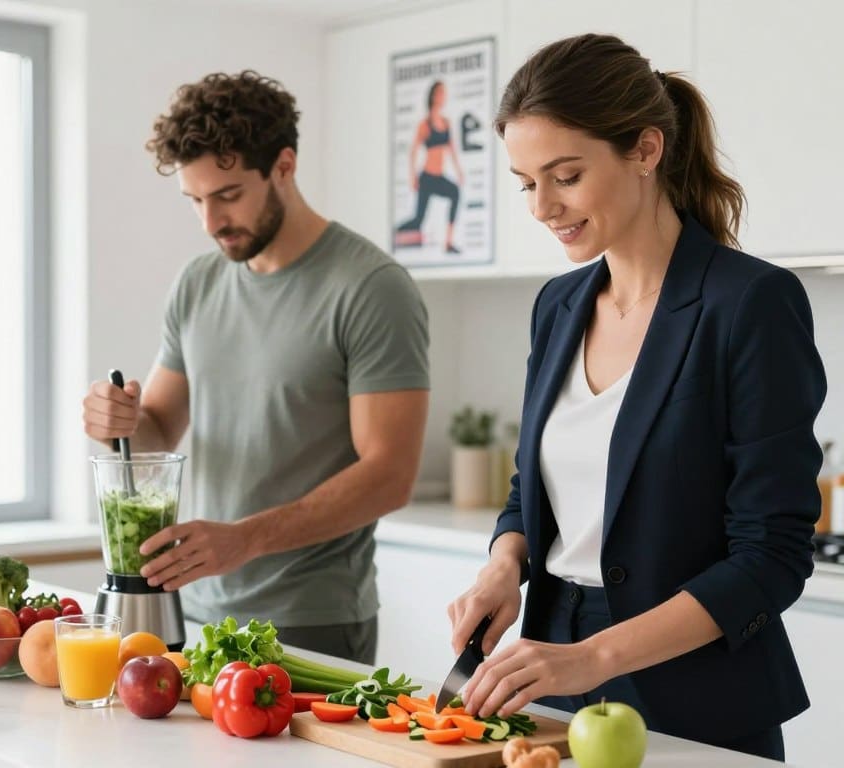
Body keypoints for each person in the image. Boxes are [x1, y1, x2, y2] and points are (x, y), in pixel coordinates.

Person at [446, 34, 825, 761]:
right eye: (527, 183)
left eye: (565, 176)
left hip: (698, 698)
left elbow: (772, 555)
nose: (542, 207)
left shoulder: (748, 304)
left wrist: (594, 657)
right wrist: (504, 565)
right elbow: (534, 486)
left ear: (645, 150)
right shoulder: (557, 306)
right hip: (549, 680)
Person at [82, 70, 430, 665]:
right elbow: (159, 429)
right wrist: (118, 419)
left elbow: (389, 475)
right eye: (195, 200)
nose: (210, 221)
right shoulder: (198, 283)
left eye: (228, 195)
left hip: (312, 621)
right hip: (196, 608)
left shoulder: (371, 288)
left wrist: (244, 540)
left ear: (284, 167)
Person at [395, 80, 465, 254]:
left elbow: (452, 150)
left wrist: (459, 172)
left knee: (455, 192)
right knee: (418, 219)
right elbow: (413, 152)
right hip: (426, 178)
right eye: (440, 92)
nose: (443, 96)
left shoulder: (446, 123)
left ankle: (448, 242)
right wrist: (412, 177)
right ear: (433, 96)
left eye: (444, 93)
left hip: (439, 177)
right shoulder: (424, 124)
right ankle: (396, 233)